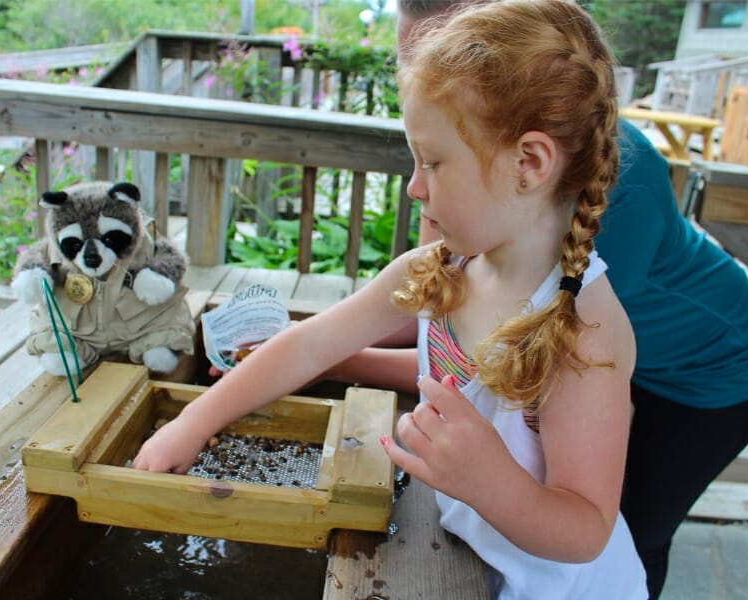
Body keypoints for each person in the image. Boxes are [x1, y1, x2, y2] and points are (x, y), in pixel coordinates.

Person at [135, 1, 648, 597]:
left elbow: (585, 527)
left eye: (433, 161)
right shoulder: (444, 270)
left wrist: (492, 482)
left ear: (528, 163)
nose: (414, 186)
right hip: (472, 556)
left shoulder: (582, 327)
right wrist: (192, 423)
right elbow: (308, 345)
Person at [323, 1, 748, 598]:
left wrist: (346, 359)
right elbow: (442, 322)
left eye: (439, 56)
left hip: (714, 372)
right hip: (608, 365)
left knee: (631, 529)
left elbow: (498, 370)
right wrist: (337, 343)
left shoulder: (592, 208)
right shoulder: (491, 187)